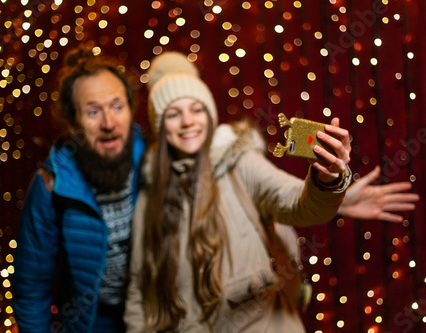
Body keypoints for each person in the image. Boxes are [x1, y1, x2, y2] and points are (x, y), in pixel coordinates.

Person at [124, 51, 354, 332]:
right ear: (161, 127)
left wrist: (326, 179)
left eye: (197, 109)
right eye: (174, 113)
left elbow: (299, 204)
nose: (188, 122)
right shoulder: (151, 197)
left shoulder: (239, 162)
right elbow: (139, 289)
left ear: (209, 114)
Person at [13, 47, 145, 333]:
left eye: (117, 106)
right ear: (73, 124)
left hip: (153, 320)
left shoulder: (153, 163)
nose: (109, 124)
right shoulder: (52, 184)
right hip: (89, 324)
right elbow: (31, 290)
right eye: (93, 112)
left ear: (131, 110)